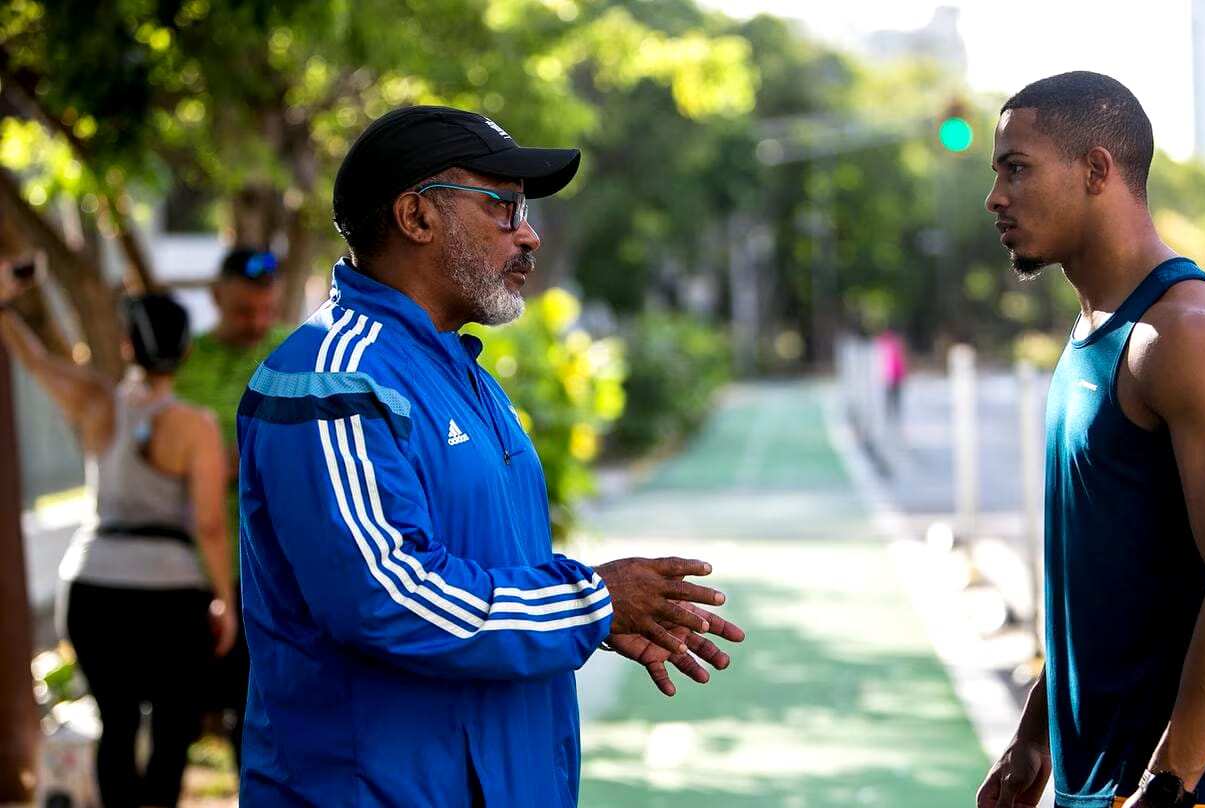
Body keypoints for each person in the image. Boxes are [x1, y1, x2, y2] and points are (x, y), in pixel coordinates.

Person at [236, 105, 745, 807]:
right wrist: (589, 604)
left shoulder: (462, 376)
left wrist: (587, 620)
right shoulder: (336, 380)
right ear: (417, 217)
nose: (528, 233)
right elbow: (390, 598)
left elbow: (488, 569)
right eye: (503, 207)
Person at [977, 72, 1205, 808]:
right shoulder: (1095, 328)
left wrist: (1168, 783)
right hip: (1100, 777)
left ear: (1095, 171)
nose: (995, 197)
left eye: (1015, 169)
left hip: (1181, 785)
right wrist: (1035, 737)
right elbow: (1105, 576)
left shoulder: (1184, 335)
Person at [0, 259, 237, 808]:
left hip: (92, 585)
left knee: (117, 723)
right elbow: (209, 522)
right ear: (186, 352)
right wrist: (223, 597)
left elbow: (35, 360)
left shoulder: (93, 399)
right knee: (174, 727)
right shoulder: (195, 426)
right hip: (170, 593)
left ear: (129, 346)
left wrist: (5, 306)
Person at [172, 246, 287, 763]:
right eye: (244, 311)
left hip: (268, 564)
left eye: (266, 309)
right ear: (216, 297)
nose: (257, 322)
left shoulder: (296, 353)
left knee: (259, 712)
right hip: (187, 564)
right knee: (178, 715)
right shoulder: (184, 359)